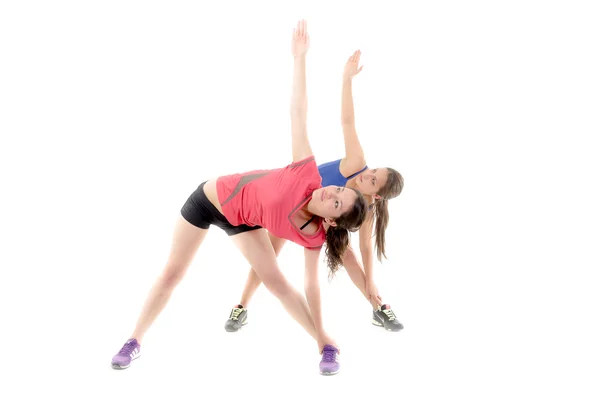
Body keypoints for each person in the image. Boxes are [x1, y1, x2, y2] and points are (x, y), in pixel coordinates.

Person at [110, 20, 367, 376]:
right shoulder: (306, 174)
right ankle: (133, 341)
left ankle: (326, 346)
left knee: (276, 282)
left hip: (242, 222)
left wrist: (323, 329)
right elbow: (298, 114)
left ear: (333, 220)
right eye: (338, 189)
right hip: (207, 200)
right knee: (172, 273)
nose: (331, 192)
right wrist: (299, 59)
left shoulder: (314, 235)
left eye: (336, 202)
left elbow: (309, 285)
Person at [223, 50, 404, 335]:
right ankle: (241, 307)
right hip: (296, 203)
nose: (367, 175)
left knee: (351, 258)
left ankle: (378, 307)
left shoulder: (363, 210)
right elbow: (347, 122)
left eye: (372, 181)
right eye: (374, 171)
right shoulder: (356, 163)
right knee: (268, 255)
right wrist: (346, 80)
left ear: (376, 196)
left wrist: (371, 282)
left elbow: (366, 249)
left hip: (324, 221)